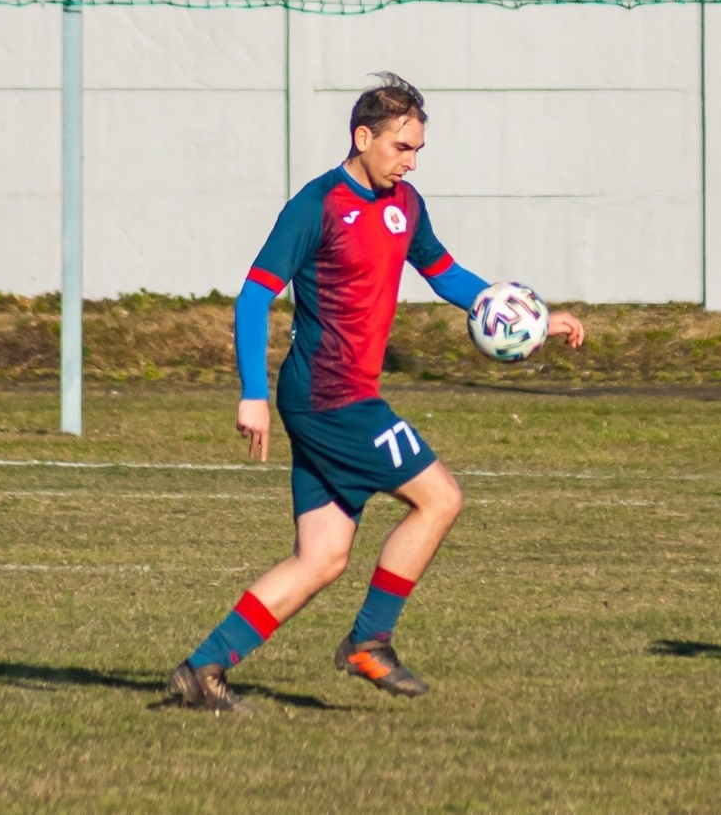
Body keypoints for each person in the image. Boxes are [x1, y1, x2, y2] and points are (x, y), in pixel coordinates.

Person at [166, 73, 585, 713]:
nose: (410, 161)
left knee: (322, 558)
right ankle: (369, 641)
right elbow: (254, 296)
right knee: (440, 498)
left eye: (417, 149)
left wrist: (531, 321)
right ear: (363, 137)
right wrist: (251, 392)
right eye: (401, 147)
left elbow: (444, 272)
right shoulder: (316, 206)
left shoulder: (405, 204)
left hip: (339, 395)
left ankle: (203, 669)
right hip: (330, 396)